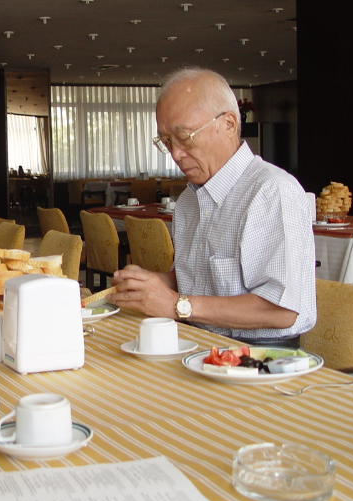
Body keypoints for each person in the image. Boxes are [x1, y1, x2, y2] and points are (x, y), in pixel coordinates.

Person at [110, 67, 315, 347]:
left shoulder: (271, 191)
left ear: (229, 124)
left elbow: (281, 310)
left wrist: (175, 305)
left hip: (259, 361)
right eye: (167, 141)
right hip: (197, 343)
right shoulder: (189, 201)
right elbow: (202, 281)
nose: (176, 154)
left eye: (185, 137)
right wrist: (149, 285)